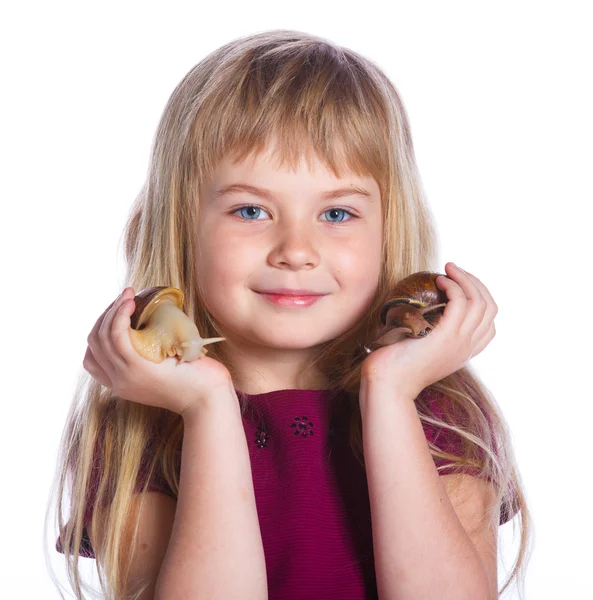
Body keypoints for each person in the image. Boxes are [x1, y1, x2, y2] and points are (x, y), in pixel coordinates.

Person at [46, 29, 532, 600]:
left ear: (387, 227)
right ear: (184, 226)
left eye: (337, 213)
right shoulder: (139, 425)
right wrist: (206, 409)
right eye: (251, 210)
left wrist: (391, 392)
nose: (296, 250)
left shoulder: (443, 412)